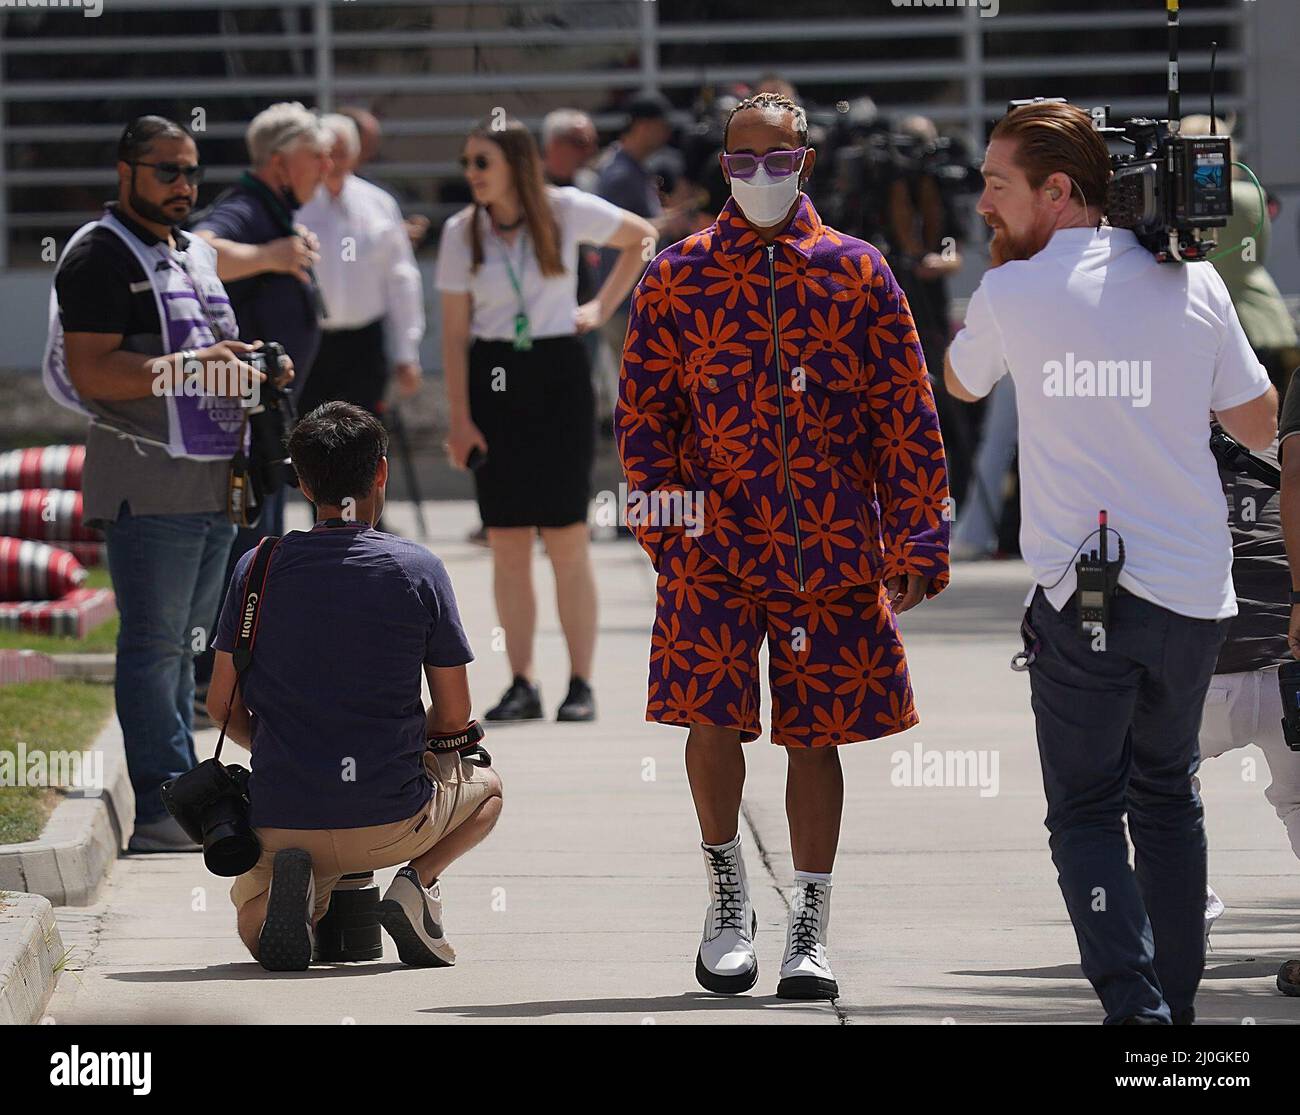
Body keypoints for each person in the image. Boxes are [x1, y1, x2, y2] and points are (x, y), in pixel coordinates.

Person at [944, 101, 1277, 1024]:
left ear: (1058, 191)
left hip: (1078, 598)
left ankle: (1136, 1013)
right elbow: (1257, 421)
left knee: (1087, 812)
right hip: (1191, 595)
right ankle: (1170, 1011)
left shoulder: (1012, 293)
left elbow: (962, 380)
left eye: (997, 185)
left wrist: (1015, 281)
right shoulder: (1195, 282)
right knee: (1168, 795)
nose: (982, 205)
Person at [617, 91, 950, 1000]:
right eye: (740, 160)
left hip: (832, 539)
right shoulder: (677, 274)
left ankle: (810, 919)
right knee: (710, 716)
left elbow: (905, 409)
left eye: (777, 157)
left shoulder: (858, 269)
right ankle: (728, 893)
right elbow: (645, 417)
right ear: (721, 166)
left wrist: (918, 532)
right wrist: (667, 528)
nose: (759, 175)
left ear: (805, 159)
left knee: (819, 733)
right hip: (712, 545)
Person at [45, 115, 290, 851]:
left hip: (216, 481)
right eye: (168, 172)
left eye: (192, 173)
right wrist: (194, 364)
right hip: (147, 484)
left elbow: (207, 353)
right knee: (153, 646)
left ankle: (191, 794)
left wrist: (254, 367)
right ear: (126, 171)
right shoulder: (96, 255)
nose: (185, 186)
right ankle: (161, 807)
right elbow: (92, 370)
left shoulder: (189, 253)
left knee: (187, 649)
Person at [207, 402, 502, 972]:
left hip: (284, 813)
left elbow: (220, 703)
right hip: (391, 820)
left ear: (301, 479)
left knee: (254, 926)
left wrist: (282, 749)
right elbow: (455, 714)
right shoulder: (417, 569)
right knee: (487, 791)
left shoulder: (257, 567)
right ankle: (415, 884)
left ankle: (291, 906)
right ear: (381, 472)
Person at [436, 117, 655, 723]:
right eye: (468, 164)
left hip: (557, 370)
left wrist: (600, 306)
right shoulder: (463, 231)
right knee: (507, 542)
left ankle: (580, 682)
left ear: (515, 164)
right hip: (494, 378)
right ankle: (522, 681)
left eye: (483, 162)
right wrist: (460, 418)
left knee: (566, 538)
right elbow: (455, 334)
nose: (473, 175)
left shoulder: (563, 208)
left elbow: (642, 237)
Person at [189, 102, 330, 713]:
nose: (327, 163)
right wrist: (271, 255)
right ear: (279, 162)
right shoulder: (246, 207)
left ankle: (233, 679)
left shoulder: (276, 211)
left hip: (264, 420)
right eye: (315, 153)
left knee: (258, 548)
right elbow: (199, 252)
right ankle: (210, 682)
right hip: (239, 425)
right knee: (244, 552)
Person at [1199, 417, 1300, 998]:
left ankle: (1186, 916)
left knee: (1149, 784)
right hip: (1290, 670)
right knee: (1298, 801)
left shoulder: (1148, 463)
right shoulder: (1282, 462)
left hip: (1202, 677)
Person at [296, 113, 425, 415]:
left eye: (341, 153)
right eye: (326, 154)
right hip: (310, 343)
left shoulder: (379, 204)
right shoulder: (296, 205)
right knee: (307, 438)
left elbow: (401, 279)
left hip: (364, 344)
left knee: (362, 437)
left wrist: (407, 353)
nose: (333, 163)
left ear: (354, 155)